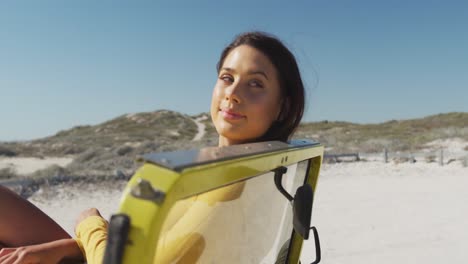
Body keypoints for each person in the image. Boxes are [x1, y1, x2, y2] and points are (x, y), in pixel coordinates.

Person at [0, 31, 306, 264]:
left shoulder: (231, 187)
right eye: (227, 77)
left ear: (282, 107)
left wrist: (89, 222)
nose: (233, 94)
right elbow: (170, 247)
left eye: (255, 84)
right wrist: (68, 245)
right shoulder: (262, 174)